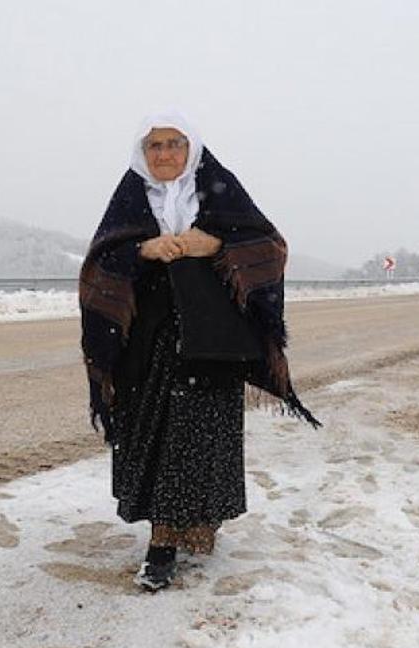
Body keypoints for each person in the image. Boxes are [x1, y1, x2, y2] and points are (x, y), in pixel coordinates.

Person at [79, 111, 321, 591]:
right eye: (155, 146)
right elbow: (99, 264)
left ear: (191, 149)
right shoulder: (130, 200)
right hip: (147, 344)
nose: (165, 154)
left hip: (211, 343)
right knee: (153, 436)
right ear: (142, 153)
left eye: (174, 144)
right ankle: (161, 543)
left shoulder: (218, 189)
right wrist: (143, 251)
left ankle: (194, 525)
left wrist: (215, 244)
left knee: (200, 439)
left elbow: (270, 247)